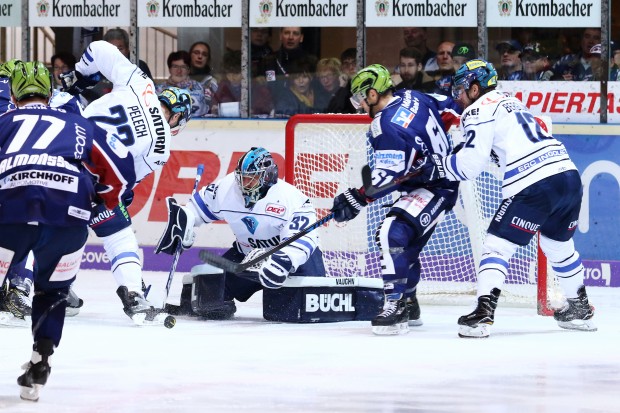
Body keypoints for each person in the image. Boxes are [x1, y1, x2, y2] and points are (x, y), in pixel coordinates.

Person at [410, 59, 597, 338]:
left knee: (496, 246)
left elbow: (469, 166)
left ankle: (483, 313)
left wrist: (435, 165)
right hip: (567, 175)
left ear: (475, 89)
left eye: (460, 89)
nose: (457, 96)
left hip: (535, 182)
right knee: (557, 246)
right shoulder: (511, 102)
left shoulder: (476, 111)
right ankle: (580, 308)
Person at [1, 61, 135, 401]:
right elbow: (121, 174)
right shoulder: (77, 124)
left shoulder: (3, 121)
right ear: (49, 94)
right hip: (68, 216)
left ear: (13, 96)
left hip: (10, 212)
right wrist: (102, 201)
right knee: (52, 292)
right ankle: (41, 358)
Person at [61, 40, 193, 325]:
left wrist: (80, 75)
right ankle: (133, 292)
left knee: (51, 223)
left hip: (60, 146)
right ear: (179, 118)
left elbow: (99, 48)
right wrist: (118, 199)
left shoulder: (140, 82)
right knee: (117, 231)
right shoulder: (162, 146)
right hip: (93, 171)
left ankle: (39, 285)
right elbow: (124, 180)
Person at [330, 64, 461, 335]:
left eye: (359, 99)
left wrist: (356, 198)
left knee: (391, 232)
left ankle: (396, 304)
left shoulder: (385, 125)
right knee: (404, 241)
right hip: (436, 181)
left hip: (435, 187)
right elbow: (449, 108)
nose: (358, 106)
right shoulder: (413, 96)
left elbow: (386, 178)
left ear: (374, 93)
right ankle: (409, 301)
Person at [155, 147, 326, 320]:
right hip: (248, 257)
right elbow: (196, 209)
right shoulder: (226, 187)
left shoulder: (292, 199)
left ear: (267, 176)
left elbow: (304, 239)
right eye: (242, 178)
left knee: (292, 311)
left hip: (292, 260)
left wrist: (284, 261)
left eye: (251, 179)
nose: (244, 184)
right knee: (208, 300)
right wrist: (184, 222)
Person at [259, 27, 318, 101]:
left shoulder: (310, 61)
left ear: (301, 38)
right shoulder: (268, 61)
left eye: (295, 33)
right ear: (280, 36)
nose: (290, 37)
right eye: (287, 33)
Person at [157, 50, 208, 117]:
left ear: (188, 70)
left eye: (183, 67)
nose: (179, 71)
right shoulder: (159, 89)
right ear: (169, 69)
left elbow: (199, 110)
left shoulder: (198, 87)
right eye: (175, 66)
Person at [326, 48, 357, 114]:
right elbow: (332, 111)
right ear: (342, 68)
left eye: (354, 63)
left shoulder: (368, 84)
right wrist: (342, 86)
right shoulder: (341, 85)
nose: (351, 67)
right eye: (346, 64)